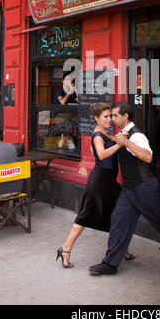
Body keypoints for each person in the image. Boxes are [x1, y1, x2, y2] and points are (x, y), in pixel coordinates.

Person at [89, 101, 160, 276]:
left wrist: (127, 143)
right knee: (118, 221)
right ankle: (110, 264)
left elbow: (148, 157)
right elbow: (109, 145)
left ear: (125, 116)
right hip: (129, 189)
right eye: (111, 116)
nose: (112, 119)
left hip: (144, 188)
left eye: (115, 115)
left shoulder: (137, 136)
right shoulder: (122, 133)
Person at [56, 102, 134, 269]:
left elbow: (102, 148)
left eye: (111, 116)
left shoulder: (105, 132)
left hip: (109, 182)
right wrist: (121, 144)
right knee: (85, 215)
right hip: (100, 182)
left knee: (117, 214)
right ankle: (66, 249)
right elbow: (101, 154)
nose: (109, 119)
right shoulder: (98, 135)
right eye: (105, 117)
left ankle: (122, 249)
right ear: (96, 118)